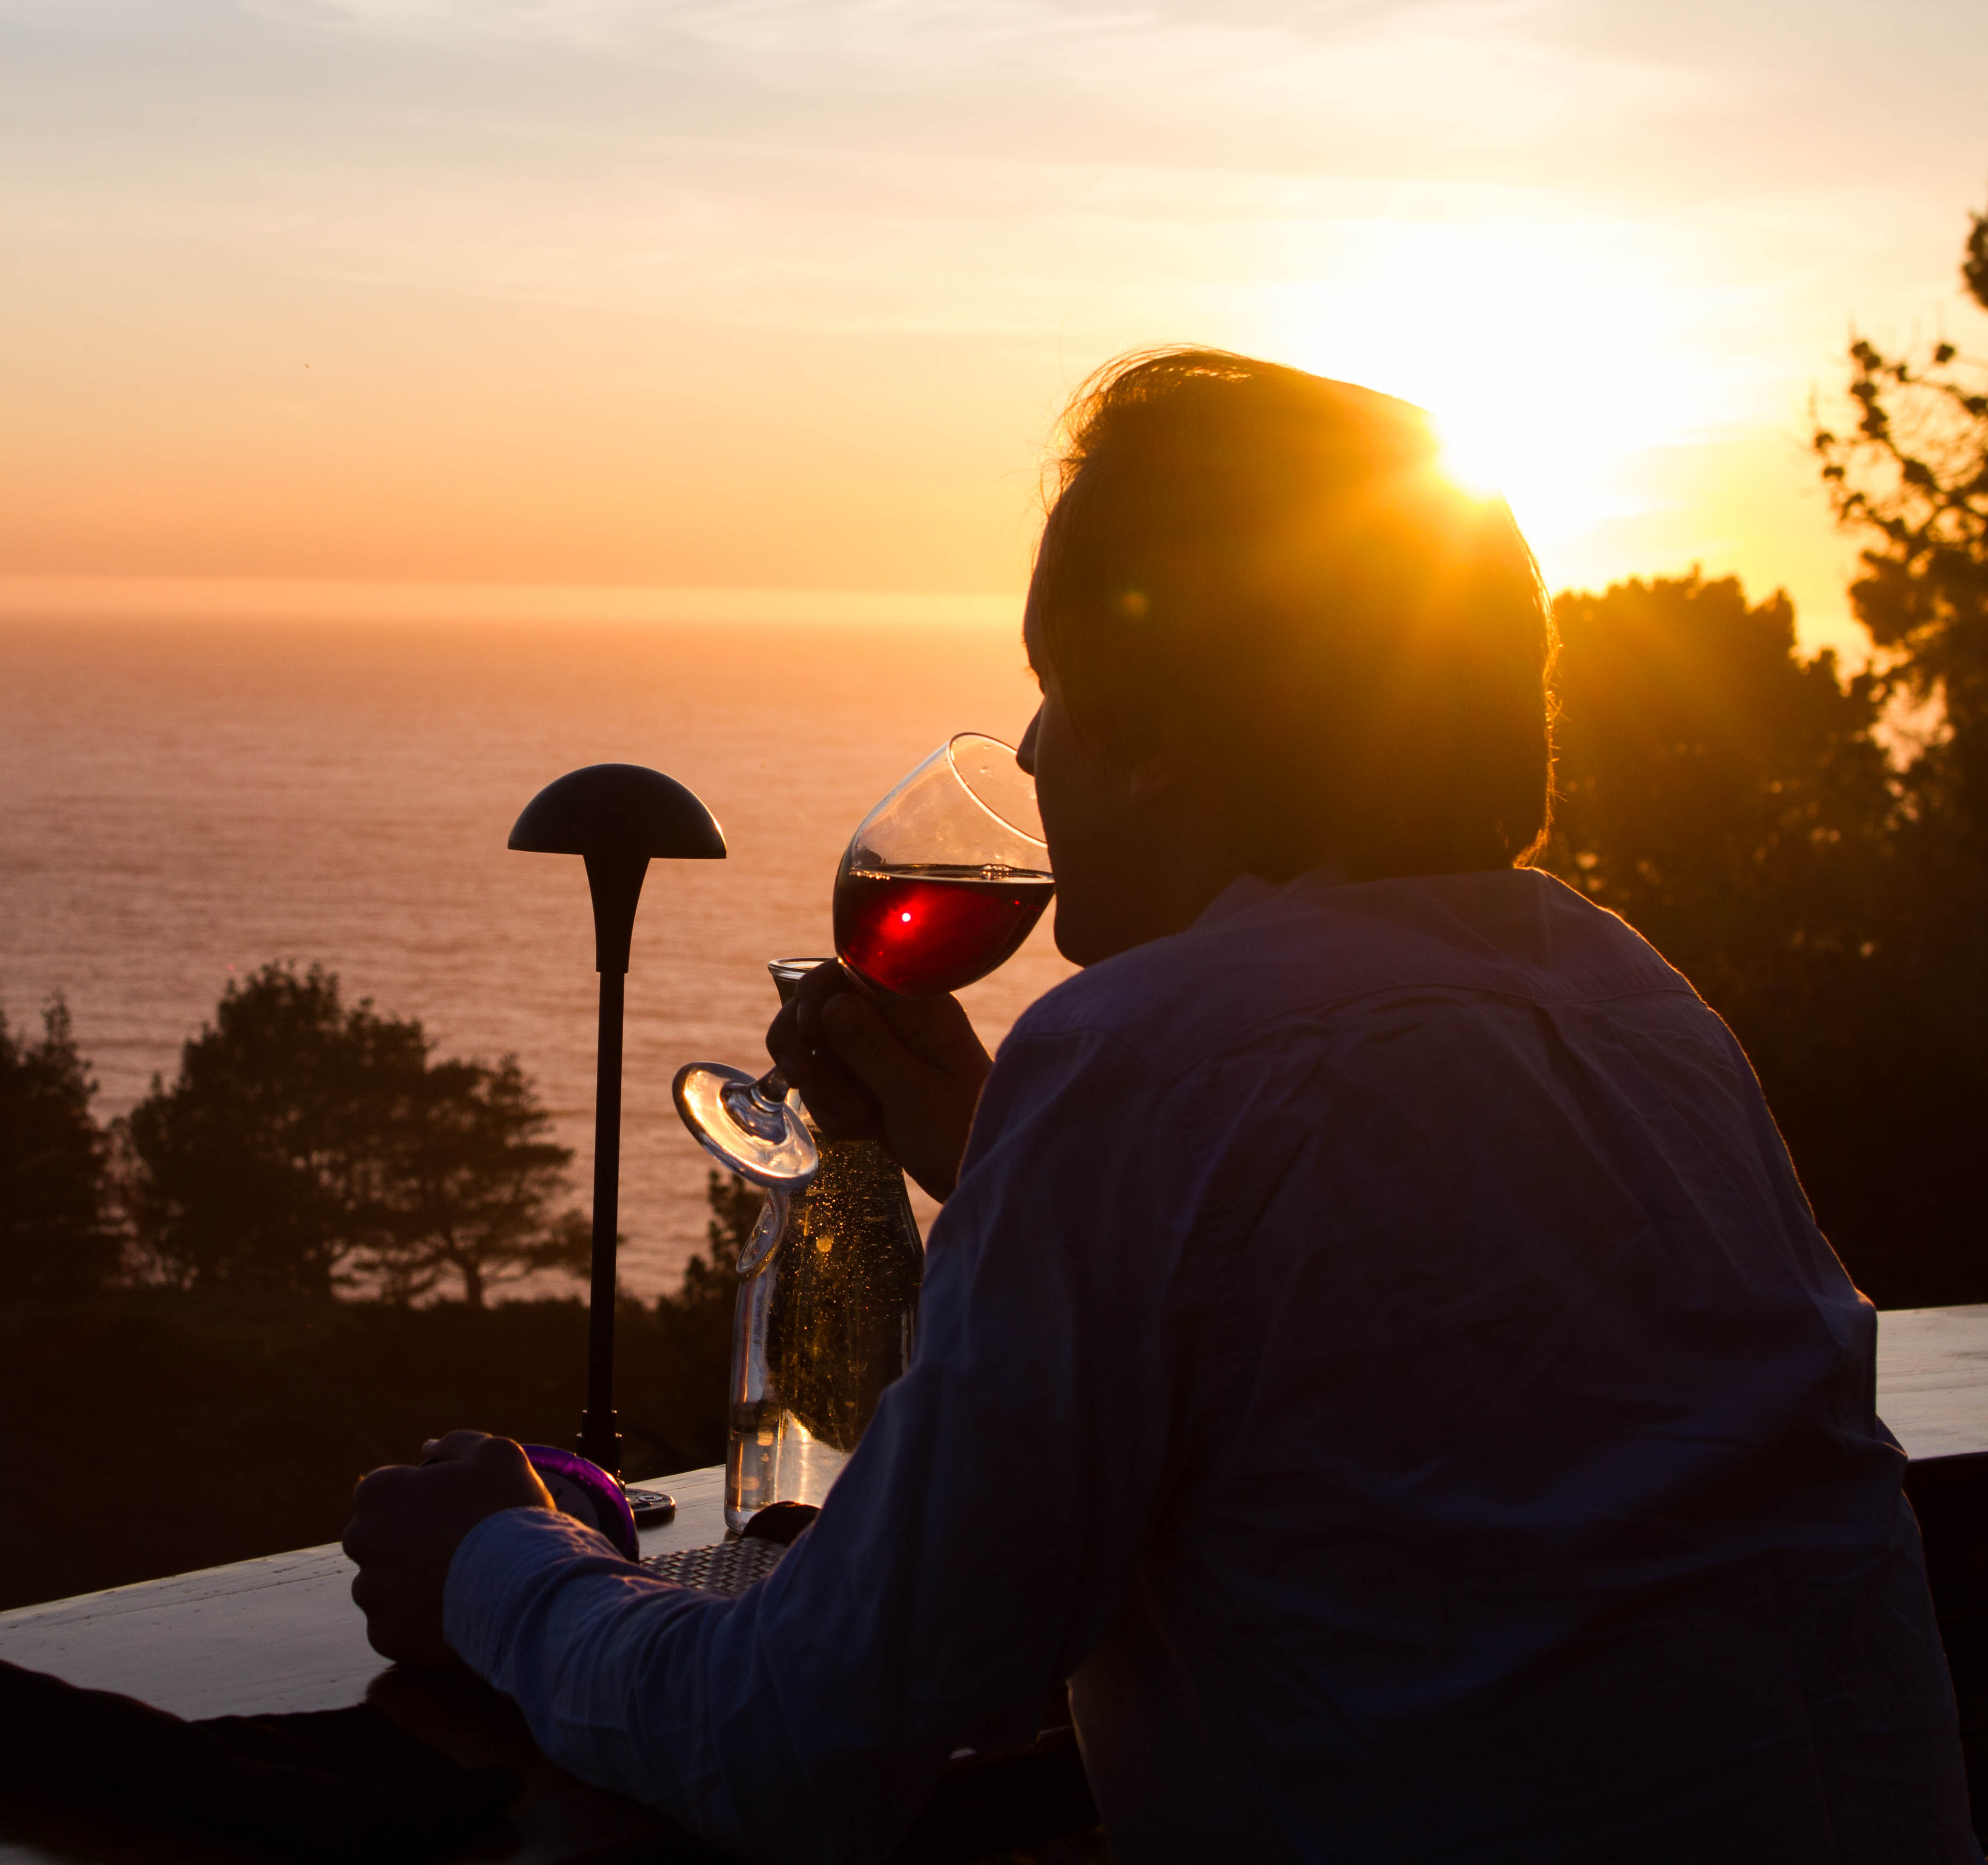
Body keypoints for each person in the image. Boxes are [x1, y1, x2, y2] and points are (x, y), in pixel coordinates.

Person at [343, 349, 1973, 1862]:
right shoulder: (1635, 1010)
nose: (1030, 746)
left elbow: (804, 1732)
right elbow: (1413, 1395)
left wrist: (498, 1568)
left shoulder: (1146, 1059)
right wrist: (993, 1157)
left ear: (1166, 744)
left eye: (1057, 685)